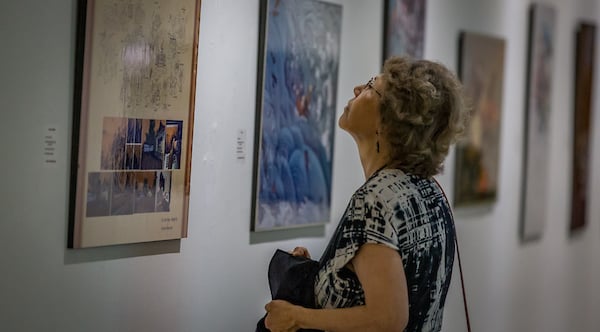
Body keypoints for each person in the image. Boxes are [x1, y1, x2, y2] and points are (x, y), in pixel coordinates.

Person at [263, 56, 469, 332]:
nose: (358, 89)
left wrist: (295, 316)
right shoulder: (430, 192)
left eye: (371, 87)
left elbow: (388, 319)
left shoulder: (374, 200)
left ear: (389, 121)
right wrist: (325, 273)